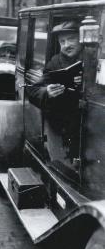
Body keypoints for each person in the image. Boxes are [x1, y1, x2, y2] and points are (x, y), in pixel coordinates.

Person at [28, 20, 83, 167]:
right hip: (63, 127)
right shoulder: (54, 63)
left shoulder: (94, 59)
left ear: (82, 38)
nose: (66, 45)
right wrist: (47, 92)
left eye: (71, 39)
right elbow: (33, 90)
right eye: (62, 41)